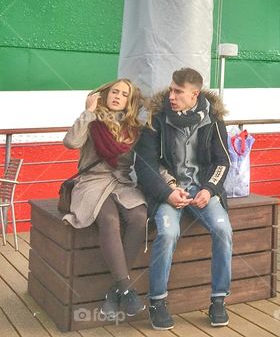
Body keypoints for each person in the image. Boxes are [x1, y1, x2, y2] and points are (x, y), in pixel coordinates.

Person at [134, 67, 232, 330]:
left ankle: (219, 300)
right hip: (169, 192)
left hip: (202, 191)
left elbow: (223, 161)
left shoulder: (213, 120)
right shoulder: (156, 119)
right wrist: (168, 192)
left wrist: (209, 189)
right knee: (167, 233)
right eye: (172, 89)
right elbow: (144, 164)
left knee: (223, 229)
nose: (172, 95)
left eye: (178, 91)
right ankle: (157, 301)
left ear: (194, 94)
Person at [62, 79, 147, 321]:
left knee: (139, 216)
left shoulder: (133, 129)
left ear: (129, 102)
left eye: (124, 94)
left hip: (120, 183)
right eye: (114, 92)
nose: (118, 96)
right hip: (91, 182)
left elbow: (147, 161)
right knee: (109, 220)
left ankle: (117, 290)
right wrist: (88, 112)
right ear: (105, 94)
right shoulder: (93, 121)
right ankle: (126, 289)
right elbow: (71, 142)